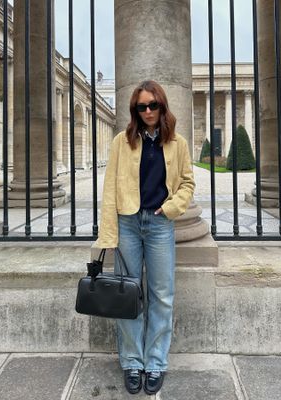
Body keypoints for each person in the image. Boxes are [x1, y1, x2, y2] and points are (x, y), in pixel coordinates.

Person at [95, 80, 195, 395]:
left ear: (162, 106)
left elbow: (188, 183)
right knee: (128, 293)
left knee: (162, 295)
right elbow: (109, 188)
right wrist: (108, 233)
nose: (148, 111)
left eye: (153, 105)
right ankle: (132, 363)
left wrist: (170, 208)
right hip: (126, 223)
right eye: (142, 106)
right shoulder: (120, 142)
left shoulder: (177, 143)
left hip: (159, 224)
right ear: (135, 110)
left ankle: (155, 362)